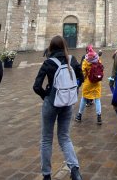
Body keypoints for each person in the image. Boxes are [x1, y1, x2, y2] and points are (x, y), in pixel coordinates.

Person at [33, 35, 84, 180]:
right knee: (64, 137)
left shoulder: (48, 62)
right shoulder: (72, 60)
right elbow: (81, 78)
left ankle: (47, 175)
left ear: (51, 47)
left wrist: (46, 95)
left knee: (46, 139)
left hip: (52, 102)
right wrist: (72, 91)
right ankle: (74, 170)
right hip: (68, 103)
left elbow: (36, 86)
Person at [76, 44, 103, 125]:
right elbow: (101, 69)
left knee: (84, 98)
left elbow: (83, 73)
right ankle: (99, 117)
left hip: (88, 83)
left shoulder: (85, 61)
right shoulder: (98, 60)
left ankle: (79, 115)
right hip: (97, 83)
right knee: (97, 99)